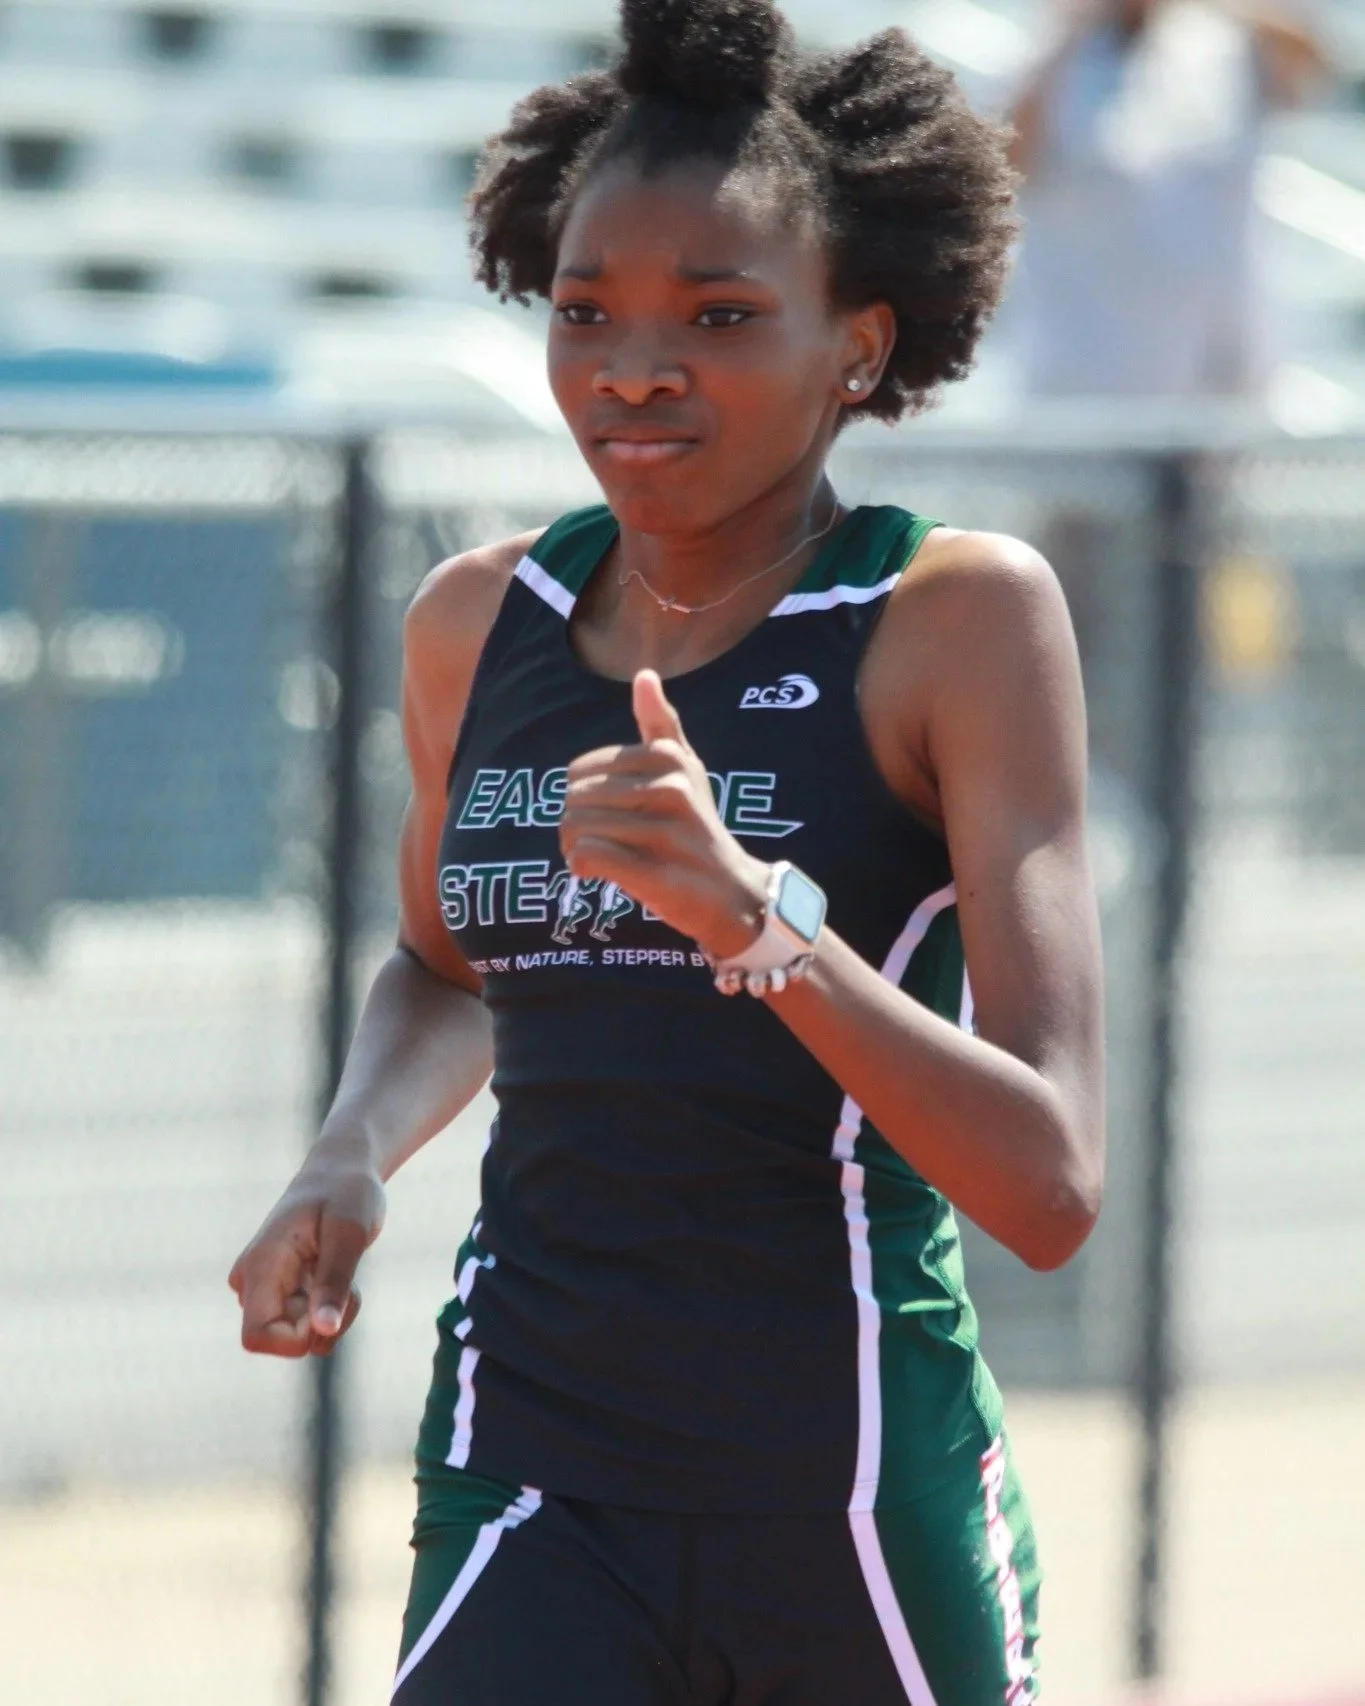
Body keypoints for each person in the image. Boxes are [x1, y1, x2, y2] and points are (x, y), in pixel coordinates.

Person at [230, 2, 1105, 1701]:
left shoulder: (953, 617)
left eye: (717, 315)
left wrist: (757, 920)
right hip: (533, 1474)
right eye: (586, 313)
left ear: (857, 343)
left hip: (849, 1498)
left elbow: (1052, 1183)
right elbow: (442, 967)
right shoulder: (479, 622)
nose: (633, 368)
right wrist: (348, 1150)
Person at [1009, 0, 1328, 399]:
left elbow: (1314, 58)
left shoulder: (1222, 43)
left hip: (1222, 381)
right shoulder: (1052, 55)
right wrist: (1067, 33)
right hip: (1087, 384)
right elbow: (1006, 166)